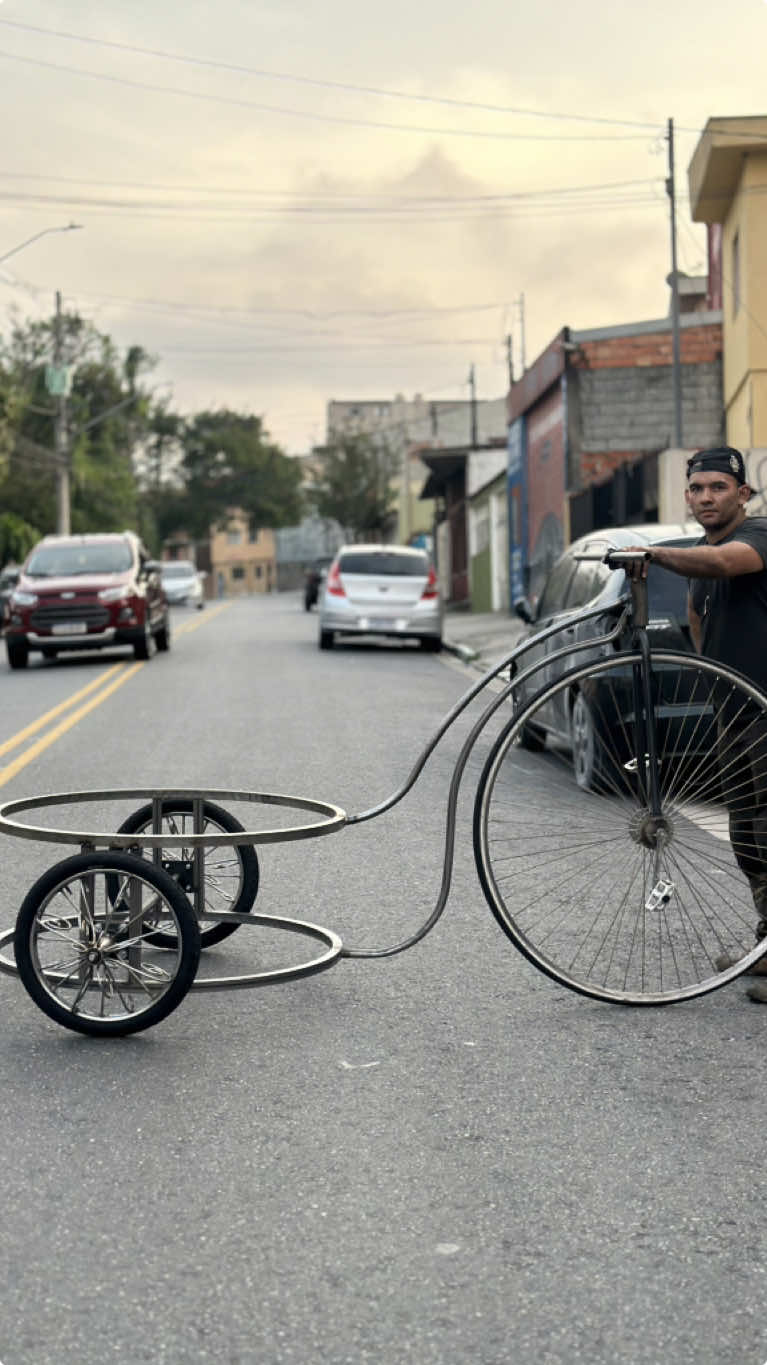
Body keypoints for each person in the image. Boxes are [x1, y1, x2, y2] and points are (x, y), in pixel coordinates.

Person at [626, 445, 767, 1001]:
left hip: (765, 712)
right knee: (748, 836)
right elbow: (696, 627)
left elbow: (726, 563)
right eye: (698, 489)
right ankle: (765, 943)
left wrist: (654, 554)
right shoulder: (701, 563)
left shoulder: (755, 538)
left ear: (742, 494)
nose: (707, 497)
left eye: (718, 487)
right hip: (733, 716)